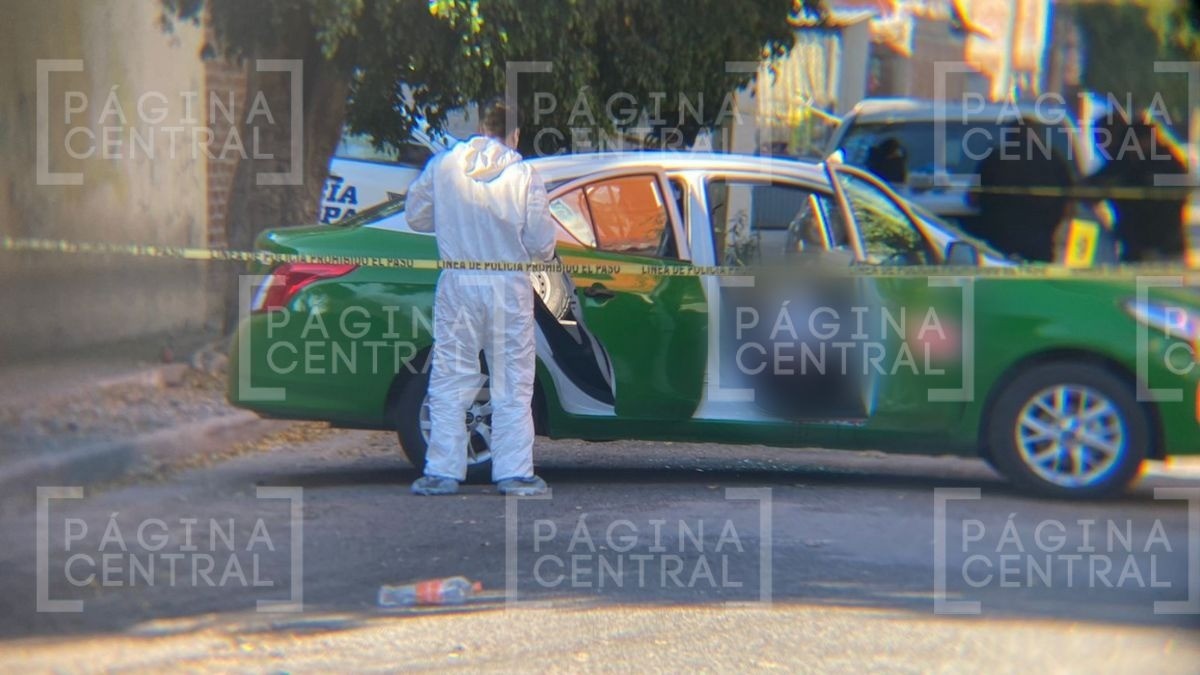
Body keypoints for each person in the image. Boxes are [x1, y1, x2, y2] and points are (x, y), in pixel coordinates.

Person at [405, 99, 558, 496]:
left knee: (450, 376)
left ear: (481, 127)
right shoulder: (524, 175)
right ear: (515, 134)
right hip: (508, 286)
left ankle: (442, 470)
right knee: (513, 380)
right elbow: (542, 246)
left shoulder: (443, 166)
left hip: (458, 283)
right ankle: (515, 473)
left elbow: (416, 216)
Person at [1087, 113, 1187, 263]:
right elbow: (1095, 186)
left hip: (1163, 247)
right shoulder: (1124, 165)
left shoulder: (1161, 163)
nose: (1102, 145)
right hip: (1141, 248)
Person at [972, 119, 1072, 262]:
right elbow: (1069, 200)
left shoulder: (995, 160)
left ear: (1010, 135)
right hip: (1042, 241)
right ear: (1037, 135)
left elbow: (973, 198)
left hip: (1000, 241)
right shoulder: (1054, 160)